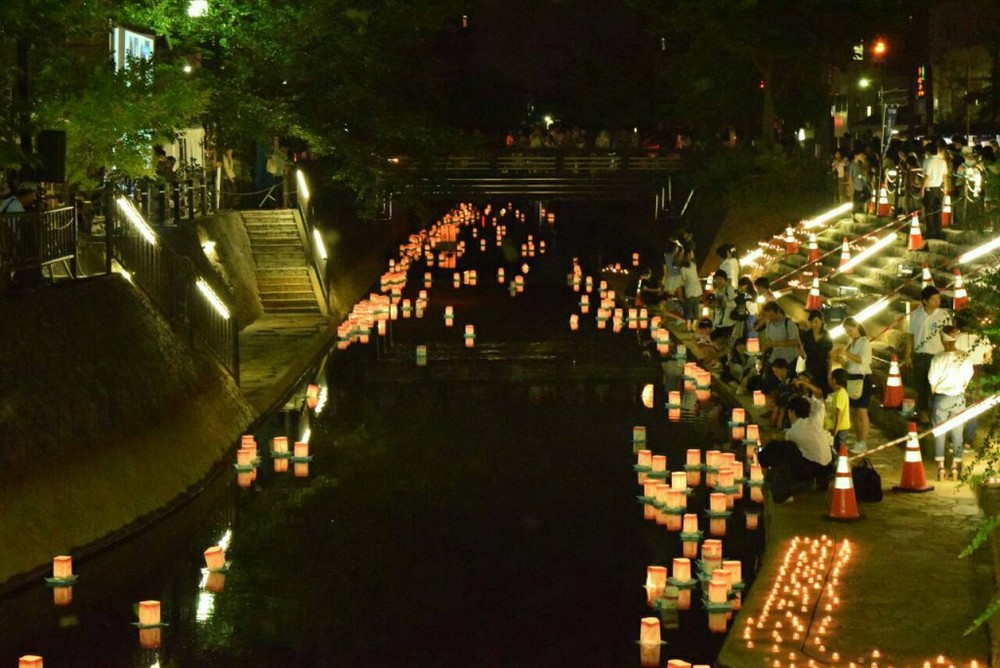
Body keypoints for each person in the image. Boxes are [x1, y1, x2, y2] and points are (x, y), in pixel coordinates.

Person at [757, 395, 835, 502]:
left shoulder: (793, 433)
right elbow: (820, 405)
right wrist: (806, 399)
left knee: (784, 449)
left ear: (792, 412)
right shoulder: (815, 420)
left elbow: (780, 443)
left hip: (813, 470)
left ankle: (782, 491)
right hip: (828, 467)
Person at [928, 326, 975, 480]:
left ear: (942, 340)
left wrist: (935, 395)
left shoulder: (938, 358)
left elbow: (932, 382)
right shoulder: (964, 356)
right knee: (957, 433)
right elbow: (968, 377)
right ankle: (955, 466)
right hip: (959, 397)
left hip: (941, 397)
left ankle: (941, 467)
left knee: (940, 432)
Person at [906, 286, 952, 425]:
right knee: (921, 386)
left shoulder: (943, 316)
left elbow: (948, 337)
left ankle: (935, 413)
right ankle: (924, 413)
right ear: (925, 301)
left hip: (937, 356)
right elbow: (910, 336)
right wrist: (908, 355)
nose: (938, 301)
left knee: (934, 386)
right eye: (934, 299)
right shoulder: (916, 315)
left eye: (939, 298)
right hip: (920, 355)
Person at [832, 317, 872, 455]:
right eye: (847, 331)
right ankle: (858, 440)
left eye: (851, 330)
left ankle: (863, 442)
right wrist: (840, 360)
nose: (849, 333)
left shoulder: (864, 342)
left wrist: (846, 353)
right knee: (853, 411)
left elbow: (862, 360)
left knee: (862, 411)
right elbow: (850, 364)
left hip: (862, 378)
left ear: (857, 327)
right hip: (851, 377)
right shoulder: (851, 342)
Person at [799, 369, 852, 449]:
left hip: (841, 427)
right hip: (838, 427)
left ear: (834, 380)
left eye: (830, 378)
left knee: (840, 448)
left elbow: (838, 414)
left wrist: (835, 430)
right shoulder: (837, 393)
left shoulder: (840, 394)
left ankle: (842, 460)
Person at [920, 139, 951, 241]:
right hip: (939, 189)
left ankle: (931, 232)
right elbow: (945, 177)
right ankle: (938, 232)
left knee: (929, 212)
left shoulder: (927, 161)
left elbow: (926, 176)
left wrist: (921, 189)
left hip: (929, 189)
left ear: (928, 152)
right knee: (938, 211)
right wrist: (946, 190)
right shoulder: (942, 162)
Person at [758, 301, 801, 372]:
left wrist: (776, 343)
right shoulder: (768, 322)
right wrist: (766, 345)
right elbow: (768, 338)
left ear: (778, 312)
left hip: (787, 361)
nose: (769, 318)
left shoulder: (789, 324)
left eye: (771, 316)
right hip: (774, 358)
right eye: (767, 316)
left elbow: (796, 341)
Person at [710, 269, 737, 341]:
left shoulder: (730, 289)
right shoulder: (717, 290)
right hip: (718, 323)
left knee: (724, 343)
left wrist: (726, 304)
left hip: (727, 323)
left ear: (725, 279)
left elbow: (736, 303)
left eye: (720, 279)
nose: (718, 281)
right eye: (716, 279)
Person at [678, 254, 702, 331]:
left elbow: (684, 280)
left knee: (689, 308)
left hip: (690, 290)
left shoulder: (682, 269)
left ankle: (688, 326)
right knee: (695, 308)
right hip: (698, 289)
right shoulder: (693, 265)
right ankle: (693, 326)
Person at [849, 151, 870, 220]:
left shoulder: (860, 164)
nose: (861, 157)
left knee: (867, 194)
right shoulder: (852, 164)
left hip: (862, 183)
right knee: (857, 199)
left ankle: (857, 207)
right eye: (860, 155)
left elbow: (864, 171)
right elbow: (850, 176)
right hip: (856, 184)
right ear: (856, 156)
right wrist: (851, 186)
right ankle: (853, 213)